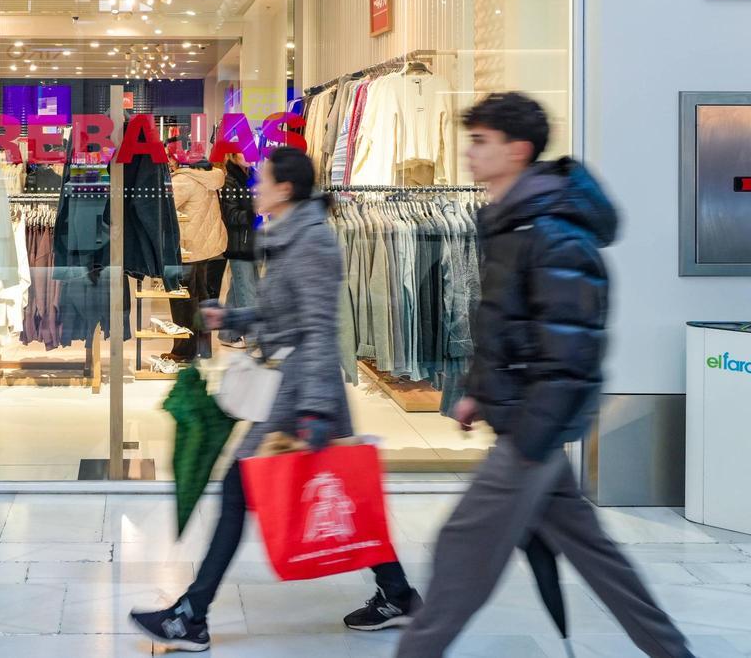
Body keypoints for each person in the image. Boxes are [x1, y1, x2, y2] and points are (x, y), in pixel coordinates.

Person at [395, 93, 695, 658]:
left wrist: (530, 439)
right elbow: (507, 320)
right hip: (529, 428)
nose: (469, 153)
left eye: (481, 141)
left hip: (532, 434)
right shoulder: (514, 222)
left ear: (519, 150)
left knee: (461, 553)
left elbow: (571, 351)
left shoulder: (553, 232)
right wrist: (479, 392)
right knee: (598, 558)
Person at [131, 146, 420, 653]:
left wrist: (310, 413)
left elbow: (318, 332)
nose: (255, 187)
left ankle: (191, 616)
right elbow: (281, 316)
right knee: (340, 497)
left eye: (262, 180)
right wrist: (236, 319)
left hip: (303, 398)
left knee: (239, 493)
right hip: (292, 392)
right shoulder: (287, 237)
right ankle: (397, 593)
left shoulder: (310, 244)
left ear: (285, 188)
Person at [164, 151, 226, 362]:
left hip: (186, 248)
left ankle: (183, 351)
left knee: (182, 300)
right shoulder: (211, 177)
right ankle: (203, 346)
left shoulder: (183, 181)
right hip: (205, 246)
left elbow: (166, 210)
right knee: (200, 295)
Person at [212, 153, 257, 347]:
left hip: (251, 241)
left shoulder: (252, 176)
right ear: (232, 155)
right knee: (247, 290)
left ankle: (227, 334)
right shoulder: (229, 180)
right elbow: (230, 215)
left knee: (237, 289)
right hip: (239, 244)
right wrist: (253, 212)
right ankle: (254, 339)